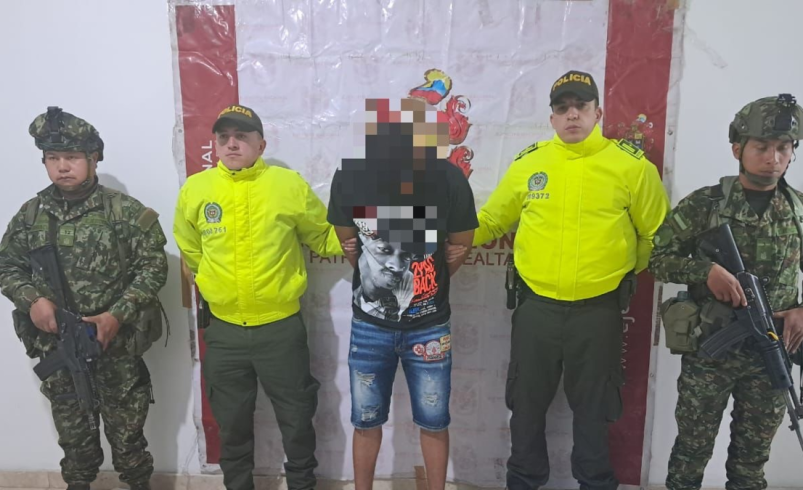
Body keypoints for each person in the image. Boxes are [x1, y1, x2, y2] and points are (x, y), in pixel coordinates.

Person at [449, 70, 670, 490]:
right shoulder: (530, 163)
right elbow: (493, 220)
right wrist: (448, 237)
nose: (572, 115)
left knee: (594, 410)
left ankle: (595, 483)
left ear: (597, 113)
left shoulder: (632, 167)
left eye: (581, 107)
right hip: (537, 309)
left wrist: (621, 273)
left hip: (598, 312)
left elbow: (656, 234)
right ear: (551, 118)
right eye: (562, 108)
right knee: (526, 407)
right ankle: (523, 481)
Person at [173, 104, 345, 490]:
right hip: (224, 333)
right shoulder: (196, 190)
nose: (232, 144)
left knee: (297, 420)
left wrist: (371, 228)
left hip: (280, 330)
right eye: (224, 137)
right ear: (215, 145)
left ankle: (302, 485)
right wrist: (216, 285)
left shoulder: (288, 185)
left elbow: (324, 237)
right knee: (231, 424)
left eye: (242, 136)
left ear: (261, 144)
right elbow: (191, 248)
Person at [0, 107, 169, 490]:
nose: (62, 166)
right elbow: (7, 266)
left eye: (72, 157)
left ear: (94, 159)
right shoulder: (30, 216)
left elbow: (153, 267)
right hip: (60, 347)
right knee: (75, 443)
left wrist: (116, 315)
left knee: (128, 442)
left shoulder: (124, 212)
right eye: (53, 158)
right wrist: (32, 300)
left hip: (116, 347)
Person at [649, 94, 803, 490]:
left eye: (783, 148)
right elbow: (657, 258)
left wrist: (802, 308)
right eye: (761, 146)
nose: (773, 157)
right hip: (712, 351)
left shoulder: (799, 210)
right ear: (738, 149)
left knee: (751, 463)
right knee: (691, 453)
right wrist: (705, 271)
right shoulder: (705, 205)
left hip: (771, 352)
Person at [328, 97, 477, 490]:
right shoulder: (350, 177)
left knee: (434, 420)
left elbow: (460, 245)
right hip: (369, 326)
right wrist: (379, 281)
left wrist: (425, 280)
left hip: (429, 326)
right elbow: (350, 246)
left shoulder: (449, 179)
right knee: (365, 419)